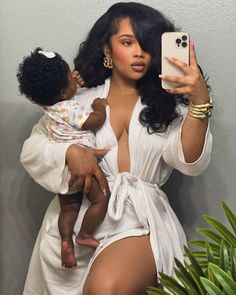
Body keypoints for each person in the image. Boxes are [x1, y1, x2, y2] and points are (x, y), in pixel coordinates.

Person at [20, 2, 212, 295]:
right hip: (76, 225)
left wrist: (199, 103)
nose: (139, 52)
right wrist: (70, 153)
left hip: (138, 220)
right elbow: (33, 150)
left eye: (146, 45)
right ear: (107, 50)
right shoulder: (76, 101)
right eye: (127, 42)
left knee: (105, 288)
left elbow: (189, 161)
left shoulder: (167, 106)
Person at [17, 48, 109, 268]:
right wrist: (99, 107)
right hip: (81, 171)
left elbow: (64, 90)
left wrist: (71, 84)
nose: (75, 77)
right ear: (65, 92)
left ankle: (66, 241)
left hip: (63, 174)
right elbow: (93, 122)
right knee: (101, 199)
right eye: (70, 77)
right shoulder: (69, 108)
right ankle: (85, 234)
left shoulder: (48, 108)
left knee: (69, 209)